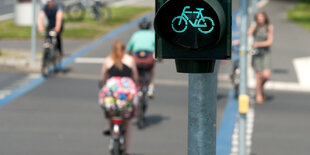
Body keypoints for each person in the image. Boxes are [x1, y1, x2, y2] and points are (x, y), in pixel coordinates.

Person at [100, 41, 138, 155]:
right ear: (124, 49)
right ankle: (126, 150)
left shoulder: (108, 60)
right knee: (127, 124)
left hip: (111, 95)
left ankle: (108, 126)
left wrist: (103, 85)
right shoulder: (130, 60)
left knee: (108, 108)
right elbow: (135, 75)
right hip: (127, 96)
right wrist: (135, 84)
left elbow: (102, 77)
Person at [248, 11, 274, 104]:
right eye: (258, 17)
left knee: (266, 76)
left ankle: (260, 89)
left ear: (265, 18)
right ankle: (259, 94)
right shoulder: (255, 26)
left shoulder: (269, 27)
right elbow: (248, 35)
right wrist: (253, 26)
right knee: (259, 75)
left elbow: (269, 42)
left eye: (261, 17)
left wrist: (257, 44)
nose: (260, 19)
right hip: (257, 53)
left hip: (265, 53)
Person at [126, 19, 155, 98]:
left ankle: (137, 88)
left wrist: (129, 56)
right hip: (149, 58)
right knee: (150, 72)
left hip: (137, 58)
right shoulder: (152, 34)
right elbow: (157, 48)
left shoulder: (135, 35)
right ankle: (150, 88)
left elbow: (129, 48)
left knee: (135, 72)